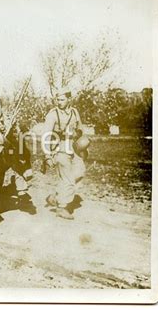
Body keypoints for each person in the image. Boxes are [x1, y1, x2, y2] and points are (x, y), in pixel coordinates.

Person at [42, 86, 87, 220]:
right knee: (67, 177)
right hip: (59, 147)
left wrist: (80, 139)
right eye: (57, 99)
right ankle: (62, 207)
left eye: (62, 99)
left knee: (80, 172)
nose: (59, 102)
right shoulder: (52, 114)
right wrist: (47, 155)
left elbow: (80, 129)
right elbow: (46, 136)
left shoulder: (74, 112)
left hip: (73, 146)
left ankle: (56, 196)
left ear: (69, 99)